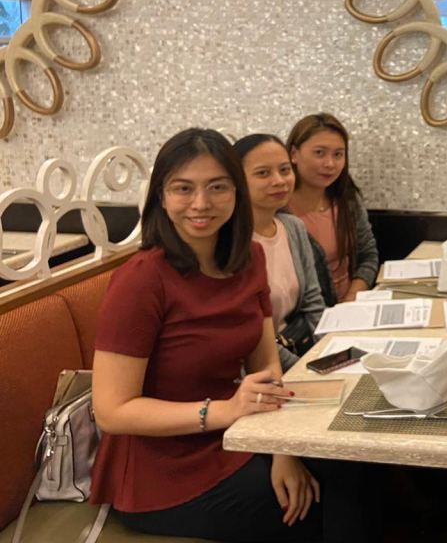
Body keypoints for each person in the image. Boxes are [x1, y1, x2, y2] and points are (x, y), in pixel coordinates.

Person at [90, 128, 375, 542]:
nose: (201, 203)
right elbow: (112, 410)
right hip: (161, 469)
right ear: (161, 197)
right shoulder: (142, 279)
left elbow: (265, 365)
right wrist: (223, 412)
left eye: (217, 187)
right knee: (314, 505)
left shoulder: (248, 259)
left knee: (352, 467)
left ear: (236, 193)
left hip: (237, 434)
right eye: (183, 188)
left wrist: (282, 447)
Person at [235, 133, 327, 371]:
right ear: (237, 180)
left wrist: (327, 354)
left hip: (300, 348)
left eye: (285, 170)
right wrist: (303, 370)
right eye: (263, 173)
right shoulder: (233, 244)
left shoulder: (292, 227)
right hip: (258, 367)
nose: (279, 181)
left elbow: (313, 302)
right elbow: (251, 333)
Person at [286, 113, 379, 302]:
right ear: (294, 154)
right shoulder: (279, 209)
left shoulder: (347, 198)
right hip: (307, 314)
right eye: (319, 153)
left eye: (338, 154)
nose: (330, 164)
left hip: (349, 306)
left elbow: (367, 255)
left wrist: (352, 297)